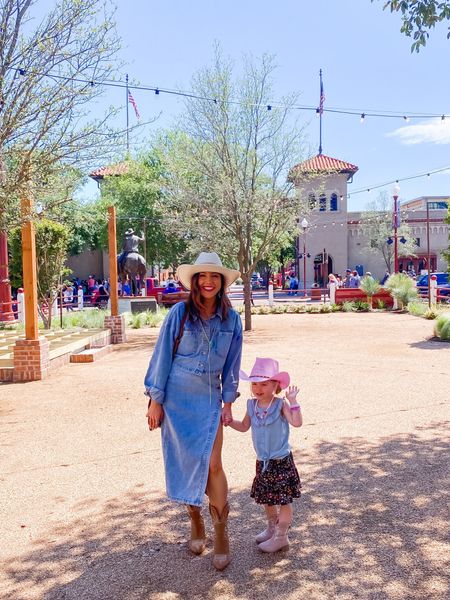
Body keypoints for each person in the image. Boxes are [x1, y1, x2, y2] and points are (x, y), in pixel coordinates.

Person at [144, 252, 242, 571]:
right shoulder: (179, 313)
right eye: (203, 276)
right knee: (187, 463)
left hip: (209, 397)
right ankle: (195, 521)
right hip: (176, 400)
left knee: (213, 463)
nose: (209, 281)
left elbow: (232, 366)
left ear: (222, 282)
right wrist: (155, 399)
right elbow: (162, 355)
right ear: (195, 281)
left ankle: (221, 533)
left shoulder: (232, 320)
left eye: (215, 276)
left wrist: (229, 403)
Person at [228, 357, 302, 553]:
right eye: (255, 384)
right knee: (267, 499)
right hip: (263, 462)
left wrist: (293, 402)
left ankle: (281, 536)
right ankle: (271, 529)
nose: (258, 388)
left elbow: (296, 422)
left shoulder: (280, 405)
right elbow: (244, 426)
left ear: (275, 385)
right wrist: (228, 421)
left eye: (264, 383)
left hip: (281, 462)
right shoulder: (251, 406)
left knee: (284, 501)